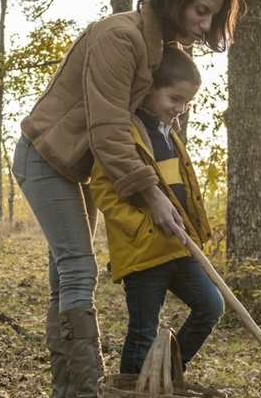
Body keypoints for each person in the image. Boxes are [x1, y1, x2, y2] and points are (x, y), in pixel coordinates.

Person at [12, 0, 239, 398]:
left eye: (211, 19)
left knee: (63, 281)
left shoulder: (159, 50)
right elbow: (108, 126)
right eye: (201, 12)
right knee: (78, 269)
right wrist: (151, 193)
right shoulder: (122, 36)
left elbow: (139, 123)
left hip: (83, 166)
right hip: (47, 155)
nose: (204, 26)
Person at [89, 43, 224, 375]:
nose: (180, 109)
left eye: (186, 103)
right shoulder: (126, 135)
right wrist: (141, 225)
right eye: (174, 99)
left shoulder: (169, 135)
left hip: (179, 246)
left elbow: (182, 192)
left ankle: (165, 372)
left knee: (211, 305)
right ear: (148, 89)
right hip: (144, 250)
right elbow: (102, 190)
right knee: (143, 332)